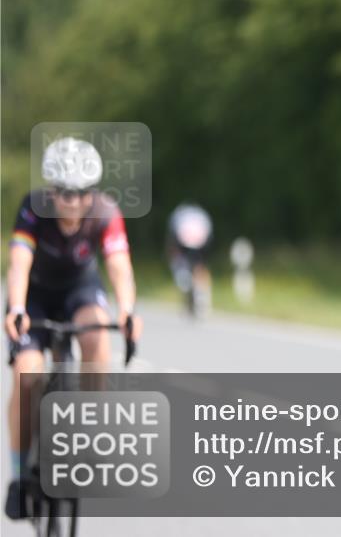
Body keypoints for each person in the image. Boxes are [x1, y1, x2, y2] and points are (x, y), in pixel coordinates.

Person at [4, 137, 143, 520]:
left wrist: (128, 310)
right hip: (33, 296)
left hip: (80, 291)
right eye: (64, 192)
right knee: (27, 373)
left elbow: (119, 265)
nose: (73, 201)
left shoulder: (105, 212)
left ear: (92, 191)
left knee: (97, 333)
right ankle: (18, 476)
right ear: (51, 191)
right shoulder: (33, 210)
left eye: (82, 192)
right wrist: (16, 307)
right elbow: (18, 262)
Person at [165, 202, 213, 316]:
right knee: (200, 267)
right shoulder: (201, 216)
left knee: (184, 270)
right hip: (199, 241)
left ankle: (196, 296)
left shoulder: (179, 216)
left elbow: (172, 242)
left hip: (185, 242)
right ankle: (200, 297)